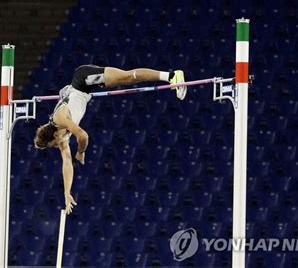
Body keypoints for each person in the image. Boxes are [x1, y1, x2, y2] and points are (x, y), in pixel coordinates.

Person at [33, 65, 186, 214]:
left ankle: (172, 76)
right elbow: (66, 163)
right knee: (126, 79)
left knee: (127, 77)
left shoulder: (60, 119)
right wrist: (67, 192)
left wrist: (80, 152)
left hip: (82, 80)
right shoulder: (62, 136)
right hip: (82, 90)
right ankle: (171, 77)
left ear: (53, 136)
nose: (56, 147)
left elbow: (83, 136)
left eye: (53, 145)